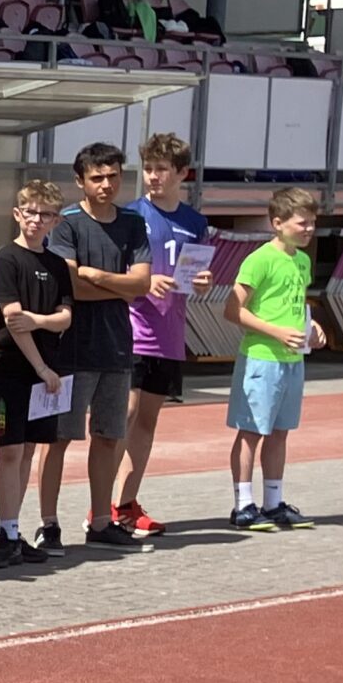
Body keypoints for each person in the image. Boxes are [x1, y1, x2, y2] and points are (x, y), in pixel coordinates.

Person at [42, 141, 154, 550]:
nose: (106, 184)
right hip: (71, 349)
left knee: (107, 437)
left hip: (117, 348)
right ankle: (48, 524)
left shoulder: (133, 223)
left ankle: (102, 521)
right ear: (80, 181)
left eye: (113, 176)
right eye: (97, 177)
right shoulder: (67, 224)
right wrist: (119, 285)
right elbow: (71, 286)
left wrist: (97, 276)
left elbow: (142, 284)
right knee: (57, 438)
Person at [115, 132, 210, 535]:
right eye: (148, 169)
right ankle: (102, 507)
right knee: (125, 415)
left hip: (169, 333)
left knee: (147, 423)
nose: (153, 176)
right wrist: (144, 281)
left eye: (162, 169)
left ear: (182, 173)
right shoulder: (130, 216)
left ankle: (126, 504)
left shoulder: (195, 222)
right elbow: (114, 270)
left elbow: (193, 272)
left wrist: (201, 281)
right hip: (132, 330)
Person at [0, 181, 76, 566]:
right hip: (12, 370)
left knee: (28, 451)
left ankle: (12, 529)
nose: (37, 220)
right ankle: (4, 534)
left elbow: (65, 317)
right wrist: (40, 365)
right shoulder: (6, 260)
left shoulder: (57, 265)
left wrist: (39, 320)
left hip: (46, 374)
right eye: (31, 212)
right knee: (10, 451)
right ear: (17, 214)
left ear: (56, 221)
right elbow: (12, 320)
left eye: (46, 214)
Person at [226, 186, 323, 532]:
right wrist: (276, 332)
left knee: (280, 433)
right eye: (302, 223)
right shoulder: (260, 260)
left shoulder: (302, 261)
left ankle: (273, 503)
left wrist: (313, 326)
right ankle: (243, 505)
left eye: (312, 222)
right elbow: (232, 310)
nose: (309, 229)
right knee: (251, 431)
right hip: (261, 358)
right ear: (277, 223)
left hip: (293, 360)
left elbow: (294, 305)